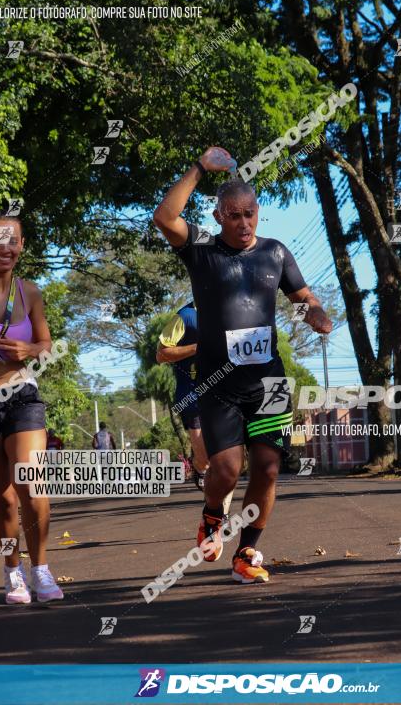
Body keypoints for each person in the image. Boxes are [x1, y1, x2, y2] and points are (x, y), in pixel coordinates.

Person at [153, 147, 332, 583]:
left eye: (250, 213)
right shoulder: (201, 250)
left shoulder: (275, 252)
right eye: (234, 215)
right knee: (228, 469)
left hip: (268, 378)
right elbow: (164, 217)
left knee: (269, 467)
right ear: (218, 218)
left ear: (258, 213)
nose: (244, 223)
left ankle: (247, 550)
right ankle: (212, 518)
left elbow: (302, 295)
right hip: (218, 383)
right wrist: (198, 167)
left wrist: (315, 312)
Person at [0, 211, 64, 605]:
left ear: (21, 247)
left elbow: (48, 345)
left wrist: (30, 350)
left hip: (22, 396)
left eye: (13, 240)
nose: (6, 247)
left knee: (31, 483)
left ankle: (40, 569)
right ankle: (13, 572)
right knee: (2, 499)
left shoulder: (31, 292)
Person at [157, 302, 234, 517]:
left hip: (223, 394)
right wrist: (198, 347)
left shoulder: (228, 310)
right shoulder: (185, 317)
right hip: (192, 396)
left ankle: (221, 514)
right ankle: (199, 468)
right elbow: (161, 354)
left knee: (226, 458)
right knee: (206, 458)